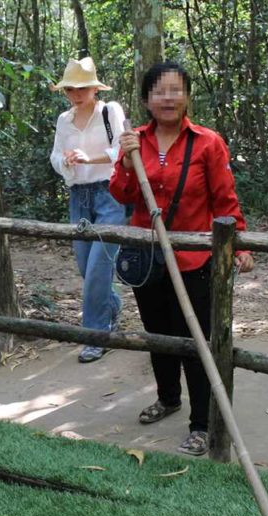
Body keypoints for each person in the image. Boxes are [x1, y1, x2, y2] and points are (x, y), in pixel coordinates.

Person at [110, 62, 255, 457]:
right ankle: (168, 397)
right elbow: (121, 194)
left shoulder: (208, 142)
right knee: (158, 335)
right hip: (148, 258)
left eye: (176, 90)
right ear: (146, 99)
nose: (168, 98)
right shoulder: (133, 140)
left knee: (195, 341)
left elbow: (225, 201)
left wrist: (239, 245)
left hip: (195, 260)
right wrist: (125, 162)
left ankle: (202, 423)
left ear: (187, 96)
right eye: (160, 91)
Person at [49, 57, 125, 364]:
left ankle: (95, 336)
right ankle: (112, 308)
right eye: (70, 88)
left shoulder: (110, 111)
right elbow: (54, 156)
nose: (76, 94)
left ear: (94, 88)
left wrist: (89, 159)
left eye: (82, 87)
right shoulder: (63, 120)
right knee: (86, 267)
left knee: (97, 268)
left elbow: (123, 149)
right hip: (78, 198)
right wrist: (65, 161)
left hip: (110, 195)